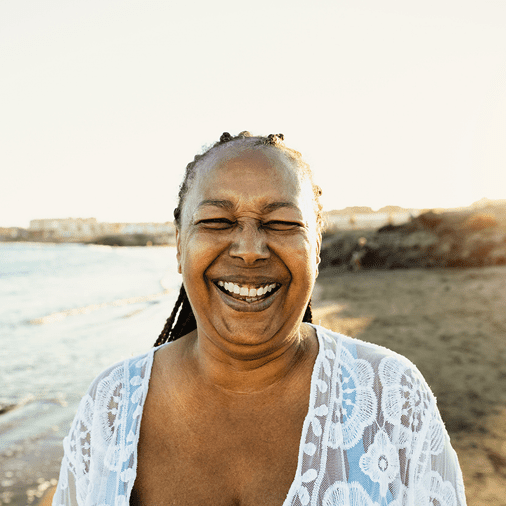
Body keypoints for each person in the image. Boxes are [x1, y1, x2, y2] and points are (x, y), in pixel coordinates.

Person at [52, 132, 466, 505]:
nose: (250, 250)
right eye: (217, 221)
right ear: (179, 244)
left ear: (316, 247)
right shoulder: (110, 406)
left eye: (282, 223)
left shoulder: (391, 397)